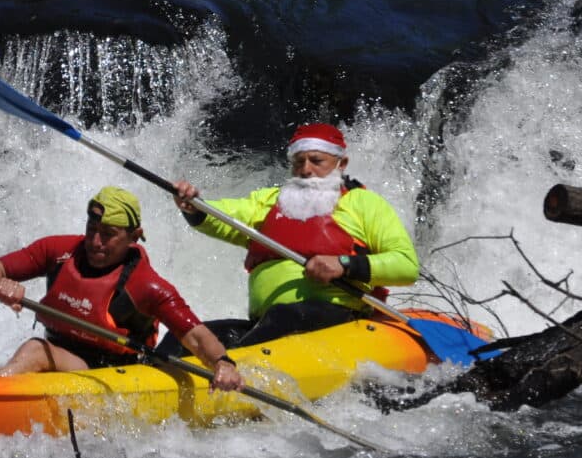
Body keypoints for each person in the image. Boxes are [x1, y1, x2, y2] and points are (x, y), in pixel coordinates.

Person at [0, 186, 243, 390]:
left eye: (109, 233)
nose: (95, 241)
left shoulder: (147, 285)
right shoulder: (57, 250)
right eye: (92, 228)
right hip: (57, 362)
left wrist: (223, 364)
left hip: (112, 375)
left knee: (33, 351)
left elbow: (197, 336)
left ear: (133, 236)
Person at [170, 123, 419, 349]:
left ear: (341, 164)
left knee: (284, 317)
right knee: (186, 335)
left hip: (334, 319)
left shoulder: (364, 203)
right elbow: (221, 217)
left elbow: (406, 265)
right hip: (266, 325)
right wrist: (194, 204)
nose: (306, 170)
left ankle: (236, 372)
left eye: (316, 160)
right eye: (299, 162)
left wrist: (344, 264)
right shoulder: (269, 201)